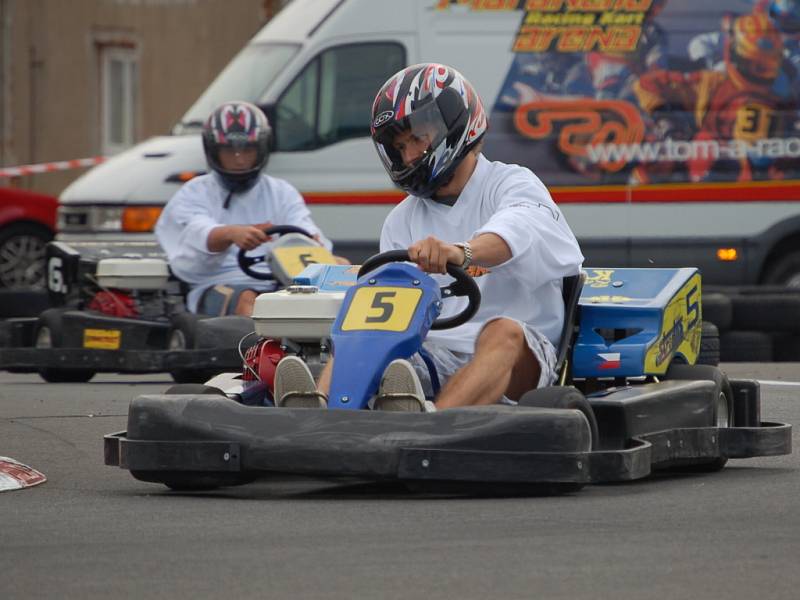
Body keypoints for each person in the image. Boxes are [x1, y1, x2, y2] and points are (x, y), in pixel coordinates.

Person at [274, 63, 584, 411]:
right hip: (437, 352)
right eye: (400, 146)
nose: (408, 156)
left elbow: (517, 229)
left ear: (451, 125)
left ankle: (428, 427)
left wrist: (462, 252)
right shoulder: (401, 219)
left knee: (502, 331)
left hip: (522, 356)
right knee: (366, 335)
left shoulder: (511, 184)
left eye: (417, 139)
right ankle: (322, 412)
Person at [156, 101, 344, 316]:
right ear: (213, 151)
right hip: (217, 282)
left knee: (342, 269)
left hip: (281, 282)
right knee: (250, 301)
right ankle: (255, 348)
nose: (239, 160)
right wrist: (231, 234)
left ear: (261, 149)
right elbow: (197, 230)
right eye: (229, 151)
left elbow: (304, 228)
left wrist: (312, 242)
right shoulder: (195, 192)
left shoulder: (281, 191)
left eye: (247, 150)